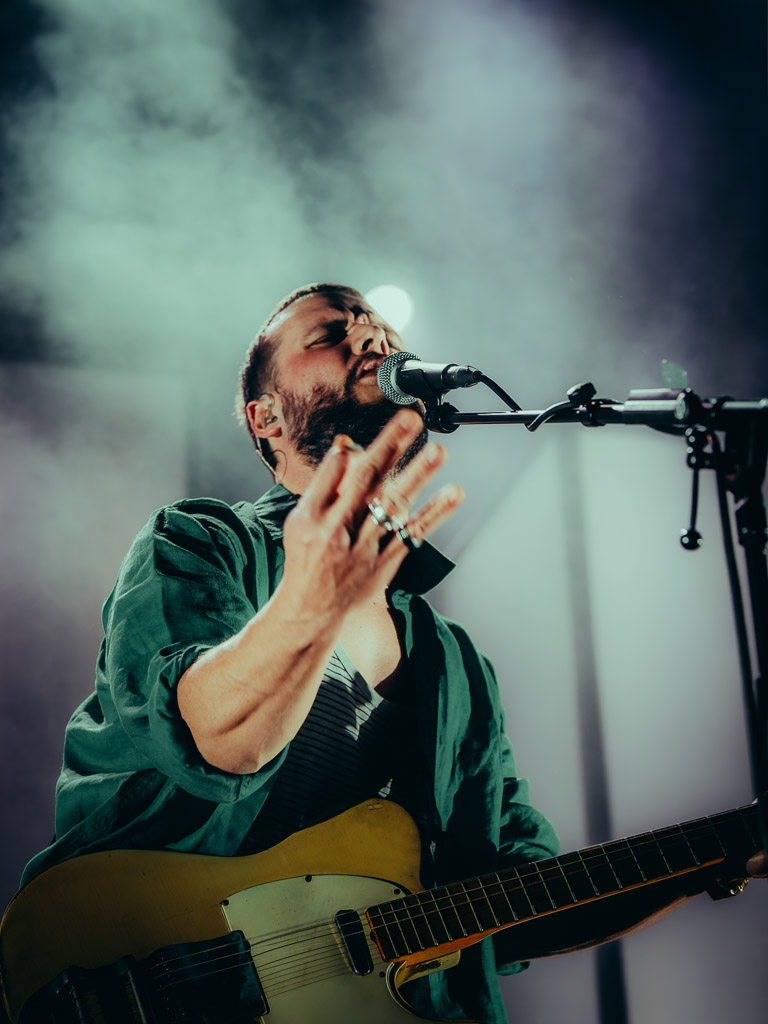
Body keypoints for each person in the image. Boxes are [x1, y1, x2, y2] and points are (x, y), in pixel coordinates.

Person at [20, 283, 765, 1023]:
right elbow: (223, 741)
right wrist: (311, 601)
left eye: (380, 330)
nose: (370, 338)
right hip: (144, 985)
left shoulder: (455, 666)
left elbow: (516, 906)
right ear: (265, 417)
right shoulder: (200, 544)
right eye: (330, 334)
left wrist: (715, 856)